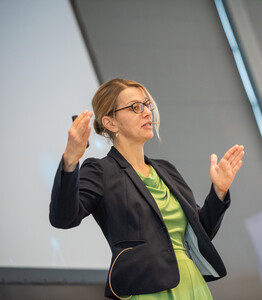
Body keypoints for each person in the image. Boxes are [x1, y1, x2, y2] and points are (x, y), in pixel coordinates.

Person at [50, 78, 244, 299]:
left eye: (146, 105)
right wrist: (70, 160)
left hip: (192, 285)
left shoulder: (166, 170)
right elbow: (63, 218)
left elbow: (201, 232)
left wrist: (218, 192)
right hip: (146, 289)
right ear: (111, 123)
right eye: (135, 107)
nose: (146, 112)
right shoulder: (100, 170)